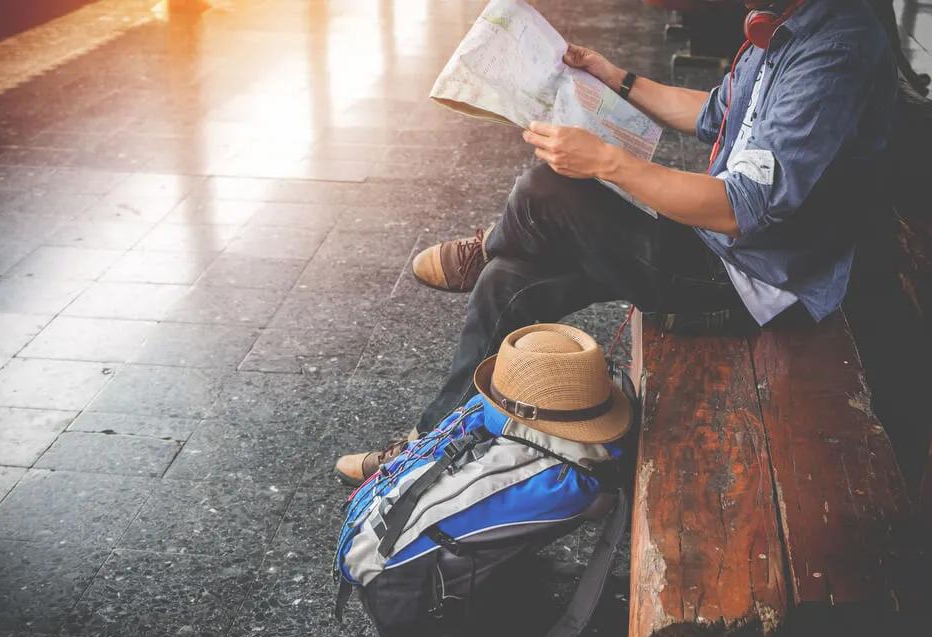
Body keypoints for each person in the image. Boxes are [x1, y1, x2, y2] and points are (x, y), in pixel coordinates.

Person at [335, 0, 898, 485]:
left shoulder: (837, 48)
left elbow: (742, 207)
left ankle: (491, 242)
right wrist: (615, 77)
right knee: (507, 283)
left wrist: (606, 160)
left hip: (757, 281)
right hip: (719, 242)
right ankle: (427, 454)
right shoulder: (785, 23)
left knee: (546, 189)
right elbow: (712, 113)